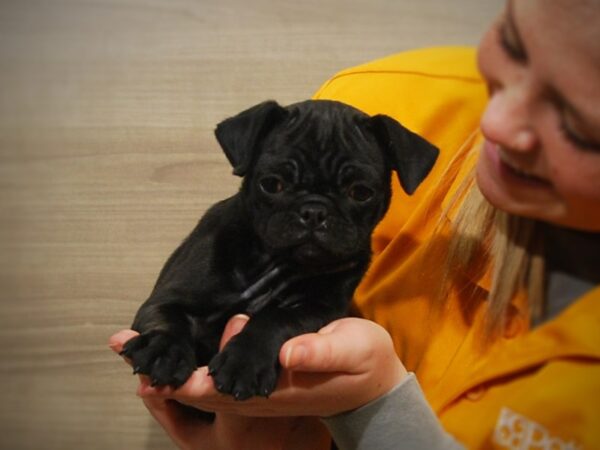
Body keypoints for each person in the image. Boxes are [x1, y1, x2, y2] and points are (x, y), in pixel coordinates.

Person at [109, 0, 600, 448]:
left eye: (576, 125)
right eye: (513, 43)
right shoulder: (386, 95)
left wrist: (373, 409)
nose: (495, 123)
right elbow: (164, 309)